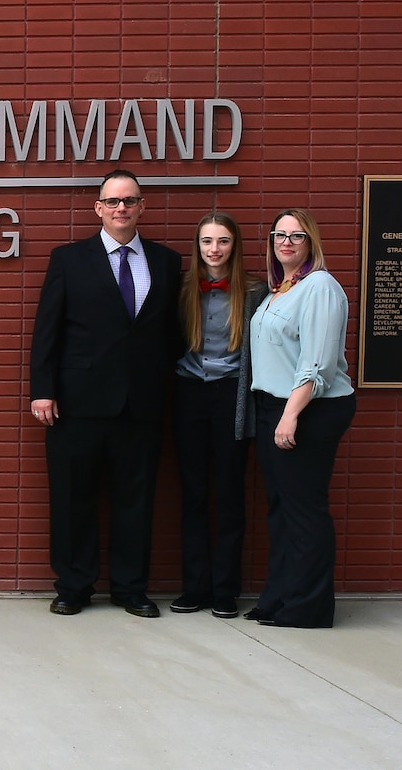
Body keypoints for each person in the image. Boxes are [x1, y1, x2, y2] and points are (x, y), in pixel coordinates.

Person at [29, 168, 183, 618]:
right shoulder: (69, 259)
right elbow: (47, 331)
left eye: (130, 201)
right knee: (73, 498)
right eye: (113, 201)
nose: (122, 208)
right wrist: (43, 390)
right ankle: (73, 586)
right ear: (98, 208)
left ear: (142, 207)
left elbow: (171, 333)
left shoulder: (167, 262)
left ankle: (130, 588)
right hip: (76, 403)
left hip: (142, 404)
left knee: (136, 500)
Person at [248, 208, 356, 628]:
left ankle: (308, 608)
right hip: (274, 407)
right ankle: (279, 598)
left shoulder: (320, 287)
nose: (287, 242)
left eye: (296, 235)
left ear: (311, 242)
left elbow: (318, 363)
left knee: (304, 510)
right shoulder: (280, 290)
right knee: (281, 509)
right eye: (279, 234)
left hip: (309, 410)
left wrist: (291, 416)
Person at [169, 213, 264, 619]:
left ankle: (225, 590)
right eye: (207, 241)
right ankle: (195, 587)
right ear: (197, 245)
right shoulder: (180, 289)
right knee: (192, 495)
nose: (214, 249)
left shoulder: (257, 291)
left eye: (223, 241)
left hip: (232, 396)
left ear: (234, 245)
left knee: (229, 495)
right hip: (188, 395)